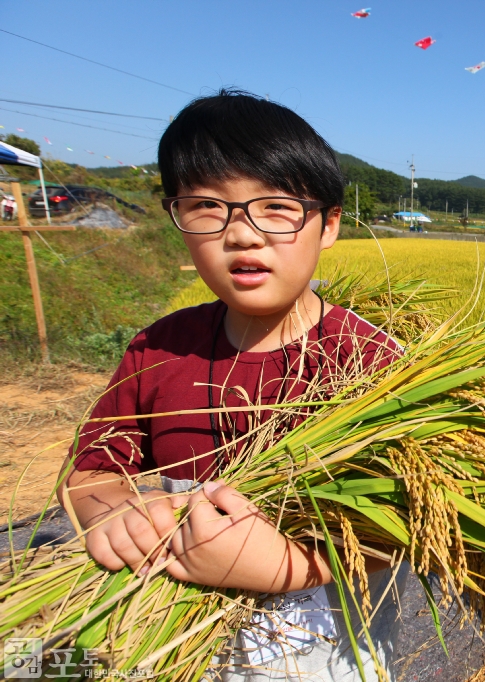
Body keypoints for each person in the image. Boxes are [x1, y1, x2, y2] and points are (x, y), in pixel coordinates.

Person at [60, 90, 407, 680]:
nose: (243, 235)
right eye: (206, 208)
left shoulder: (373, 363)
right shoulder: (157, 351)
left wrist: (283, 568)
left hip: (331, 655)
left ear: (328, 227)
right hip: (166, 650)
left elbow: (402, 523)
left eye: (276, 208)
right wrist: (112, 515)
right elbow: (91, 471)